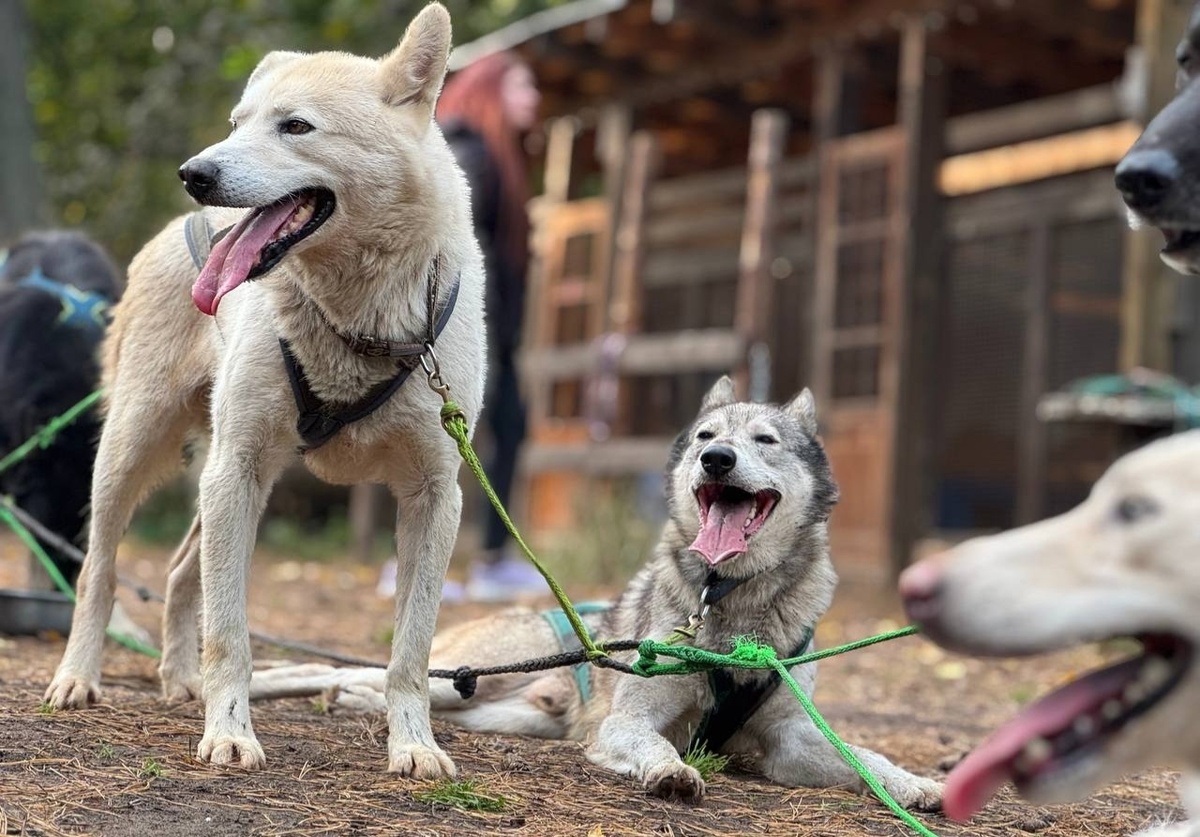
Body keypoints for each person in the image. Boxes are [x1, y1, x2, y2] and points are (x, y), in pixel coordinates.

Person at [377, 51, 545, 602]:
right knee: (446, 438)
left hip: (493, 329)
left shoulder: (488, 155)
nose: (533, 99)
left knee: (507, 427)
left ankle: (490, 558)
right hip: (469, 326)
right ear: (494, 91)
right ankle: (415, 564)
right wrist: (476, 335)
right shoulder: (469, 151)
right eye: (523, 86)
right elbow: (459, 250)